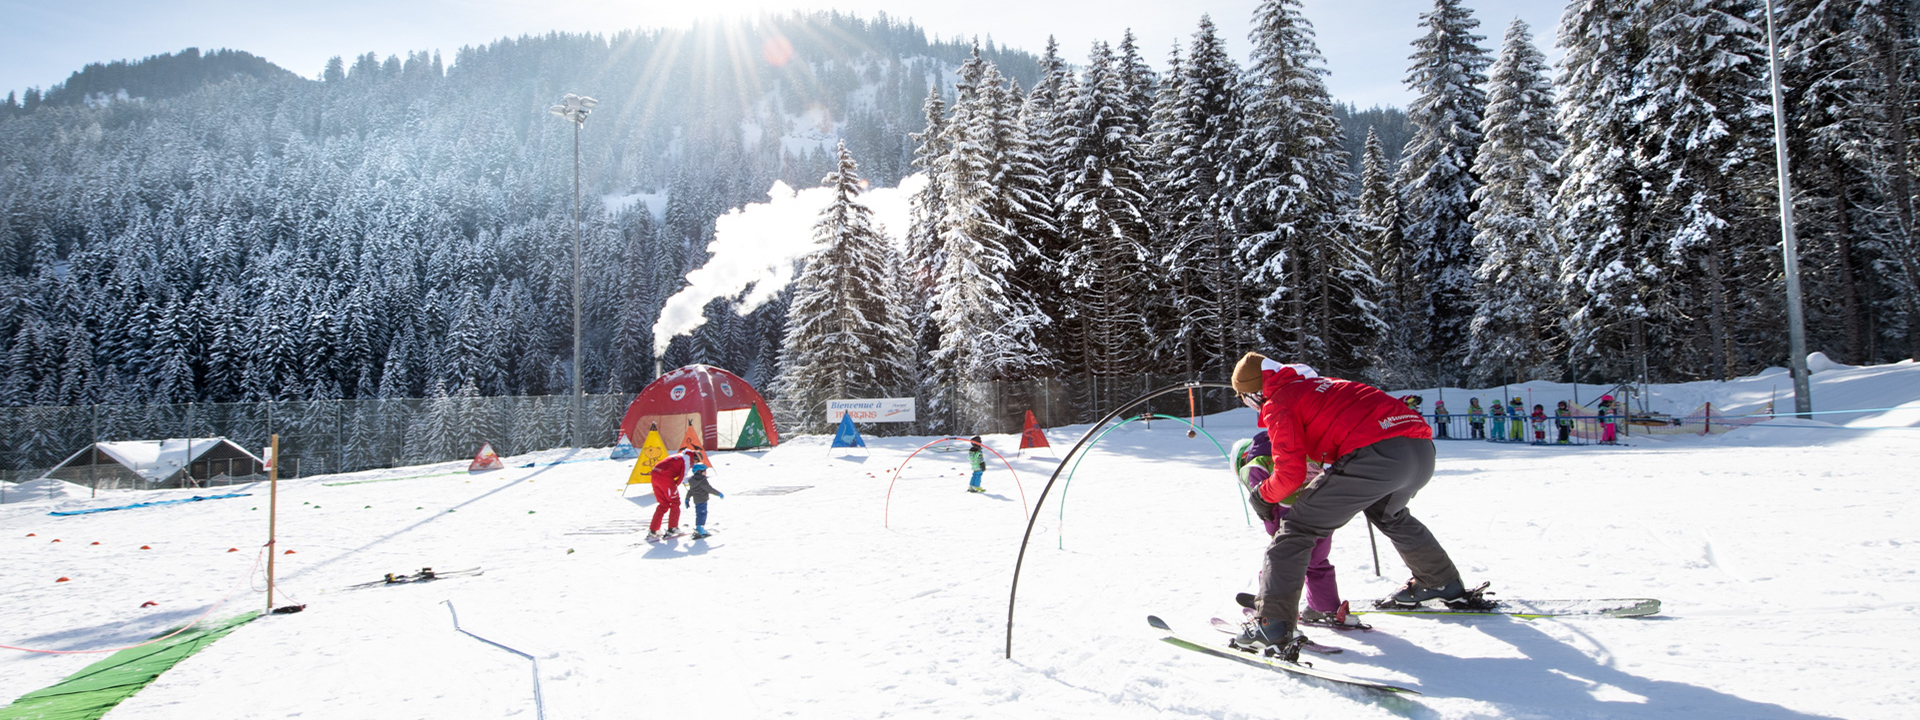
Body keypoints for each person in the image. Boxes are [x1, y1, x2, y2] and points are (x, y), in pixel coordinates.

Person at [1227, 352, 1469, 661]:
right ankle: (1440, 581)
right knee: (1389, 514)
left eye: (1247, 400)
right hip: (1421, 450)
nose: (1252, 407)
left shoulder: (1280, 401)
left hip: (1377, 454)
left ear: (1256, 393)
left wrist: (1262, 495)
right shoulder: (1319, 385)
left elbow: (1290, 474)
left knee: (1298, 528)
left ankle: (1270, 625)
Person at [1233, 430, 1363, 629]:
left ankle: (1268, 613)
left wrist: (1274, 531)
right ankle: (1325, 607)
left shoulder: (1257, 466)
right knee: (1317, 563)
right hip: (1323, 515)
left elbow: (1267, 506)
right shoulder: (1301, 452)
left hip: (1291, 522)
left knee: (1277, 565)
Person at [646, 448, 696, 541]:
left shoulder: (676, 455)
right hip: (665, 477)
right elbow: (682, 475)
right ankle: (672, 528)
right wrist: (674, 486)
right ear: (694, 458)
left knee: (663, 504)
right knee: (675, 502)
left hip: (655, 475)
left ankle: (653, 530)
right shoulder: (687, 459)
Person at [683, 462, 725, 538]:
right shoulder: (702, 481)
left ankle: (699, 527)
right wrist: (719, 494)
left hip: (697, 501)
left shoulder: (692, 480)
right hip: (702, 500)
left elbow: (691, 491)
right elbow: (709, 489)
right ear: (699, 472)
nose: (706, 473)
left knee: (699, 514)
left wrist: (687, 499)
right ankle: (701, 529)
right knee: (702, 514)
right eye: (704, 471)